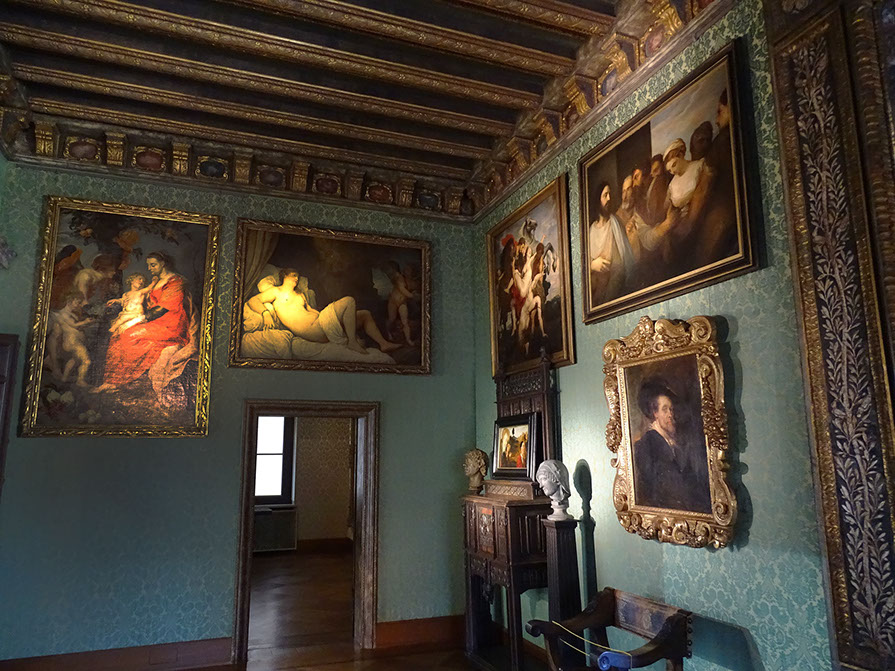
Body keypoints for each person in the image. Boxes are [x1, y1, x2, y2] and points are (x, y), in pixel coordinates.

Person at [247, 268, 400, 355]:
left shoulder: (300, 295)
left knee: (365, 314)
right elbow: (253, 301)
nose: (296, 278)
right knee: (349, 300)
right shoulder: (276, 292)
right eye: (293, 275)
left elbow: (311, 310)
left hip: (322, 322)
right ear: (284, 275)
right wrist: (266, 313)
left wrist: (331, 315)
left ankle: (384, 344)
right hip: (314, 330)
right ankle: (352, 343)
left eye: (298, 276)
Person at [96, 252, 190, 392]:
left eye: (153, 265)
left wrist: (134, 321)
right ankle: (111, 381)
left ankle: (119, 380)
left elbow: (162, 309)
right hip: (154, 321)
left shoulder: (175, 282)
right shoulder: (156, 281)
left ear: (163, 263)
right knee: (117, 334)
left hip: (170, 323)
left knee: (129, 335)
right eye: (148, 265)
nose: (149, 268)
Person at [632, 378, 712, 513]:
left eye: (671, 409)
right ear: (655, 414)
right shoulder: (647, 444)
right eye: (665, 410)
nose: (670, 414)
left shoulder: (675, 443)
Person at [588, 182, 635, 304]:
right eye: (605, 195)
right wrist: (592, 265)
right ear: (598, 200)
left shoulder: (614, 224)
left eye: (610, 194)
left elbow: (619, 268)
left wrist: (607, 301)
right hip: (595, 288)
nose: (609, 198)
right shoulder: (591, 230)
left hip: (611, 289)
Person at [46, 294, 94, 387]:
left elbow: (75, 326)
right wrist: (85, 321)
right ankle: (80, 380)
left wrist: (87, 323)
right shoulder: (63, 314)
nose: (78, 305)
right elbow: (73, 325)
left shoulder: (70, 314)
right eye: (77, 302)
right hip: (72, 341)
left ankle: (64, 378)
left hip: (73, 341)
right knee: (86, 360)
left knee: (75, 359)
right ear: (69, 301)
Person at [384, 261, 418, 346]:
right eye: (405, 269)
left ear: (412, 271)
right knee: (391, 319)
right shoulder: (399, 277)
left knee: (405, 322)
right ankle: (388, 334)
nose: (405, 271)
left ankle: (408, 340)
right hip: (393, 302)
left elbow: (413, 292)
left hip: (402, 302)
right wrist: (412, 295)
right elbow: (402, 289)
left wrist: (414, 295)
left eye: (408, 270)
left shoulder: (413, 282)